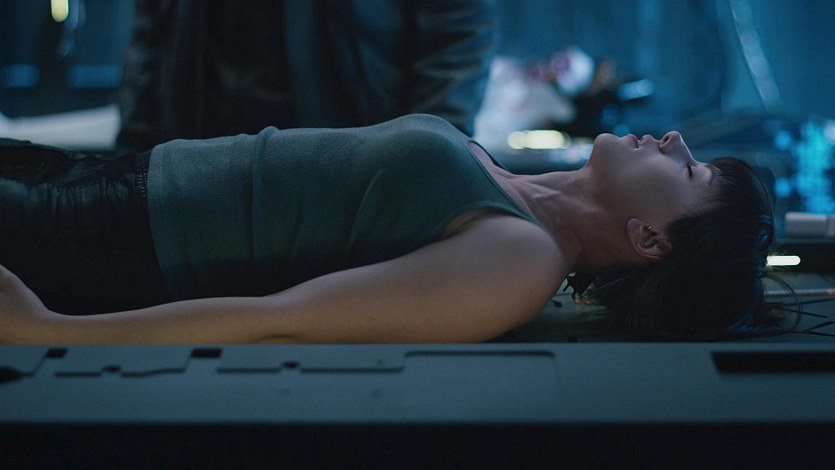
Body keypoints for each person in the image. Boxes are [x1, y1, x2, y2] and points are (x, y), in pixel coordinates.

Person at [0, 114, 786, 344]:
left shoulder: (519, 262)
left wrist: (51, 333)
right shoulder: (518, 189)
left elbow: (283, 319)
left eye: (690, 172)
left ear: (649, 240)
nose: (674, 141)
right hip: (111, 181)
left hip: (103, 241)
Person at [116, 0, 498, 154]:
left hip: (353, 158)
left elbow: (457, 30)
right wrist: (134, 153)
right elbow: (151, 35)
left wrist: (434, 155)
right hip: (205, 156)